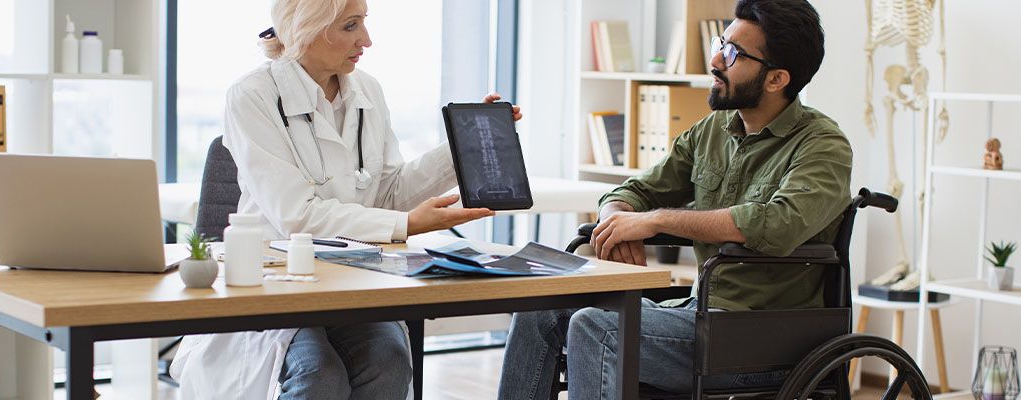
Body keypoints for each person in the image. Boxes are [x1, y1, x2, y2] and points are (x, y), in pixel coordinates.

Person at [497, 0, 851, 398]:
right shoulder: (713, 130)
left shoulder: (823, 145)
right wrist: (618, 221)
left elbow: (777, 223)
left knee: (596, 327)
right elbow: (632, 191)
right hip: (696, 314)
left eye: (733, 53)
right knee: (539, 307)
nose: (716, 59)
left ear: (776, 79)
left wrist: (655, 221)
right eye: (722, 42)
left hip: (759, 338)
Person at [168, 0, 521, 398]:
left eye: (363, 24)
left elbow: (388, 192)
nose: (366, 40)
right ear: (307, 28)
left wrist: (462, 147)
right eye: (350, 26)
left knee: (388, 361)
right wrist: (406, 225)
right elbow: (296, 217)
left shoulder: (367, 90)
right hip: (279, 279)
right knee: (318, 374)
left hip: (352, 276)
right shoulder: (253, 95)